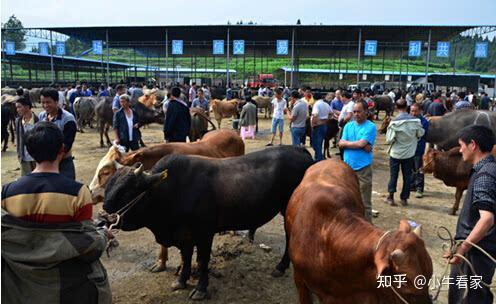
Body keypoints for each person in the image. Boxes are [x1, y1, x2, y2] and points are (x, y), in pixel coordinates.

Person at [1, 122, 112, 304]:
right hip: (66, 286)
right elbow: (85, 244)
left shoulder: (7, 192)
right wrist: (102, 235)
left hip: (20, 286)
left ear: (28, 150)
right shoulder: (78, 192)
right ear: (62, 149)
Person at [446, 125, 495, 304]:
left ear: (473, 145)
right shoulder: (489, 169)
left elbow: (487, 219)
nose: (460, 150)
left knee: (471, 298)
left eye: (462, 145)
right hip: (478, 248)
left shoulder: (485, 175)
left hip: (476, 253)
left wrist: (463, 248)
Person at [339, 101, 377, 222]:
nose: (356, 114)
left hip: (362, 169)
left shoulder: (370, 126)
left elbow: (359, 143)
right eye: (354, 112)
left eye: (359, 111)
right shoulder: (348, 126)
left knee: (364, 201)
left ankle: (368, 227)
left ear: (366, 112)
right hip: (347, 169)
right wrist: (359, 145)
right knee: (347, 199)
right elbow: (340, 143)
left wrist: (349, 144)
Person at [385, 99, 425, 206]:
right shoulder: (415, 121)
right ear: (407, 107)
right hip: (409, 154)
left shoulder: (394, 122)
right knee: (407, 176)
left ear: (396, 108)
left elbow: (389, 140)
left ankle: (391, 197)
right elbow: (421, 133)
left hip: (396, 154)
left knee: (394, 175)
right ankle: (404, 198)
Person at [38, 87, 77, 180]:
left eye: (48, 102)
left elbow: (66, 145)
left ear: (56, 102)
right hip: (45, 161)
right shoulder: (42, 116)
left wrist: (54, 164)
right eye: (43, 102)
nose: (45, 105)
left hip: (63, 161)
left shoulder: (68, 119)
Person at [15, 97, 39, 176]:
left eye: (19, 107)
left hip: (38, 158)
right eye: (17, 107)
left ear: (27, 107)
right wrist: (19, 155)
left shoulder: (38, 121)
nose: (17, 110)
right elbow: (18, 139)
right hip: (24, 157)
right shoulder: (18, 121)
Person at [409, 103, 429, 198]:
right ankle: (412, 185)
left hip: (418, 149)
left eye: (415, 111)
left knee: (419, 168)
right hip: (409, 149)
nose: (413, 113)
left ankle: (419, 188)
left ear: (420, 111)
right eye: (411, 110)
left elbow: (420, 134)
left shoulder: (424, 122)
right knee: (411, 168)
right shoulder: (408, 120)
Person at [311, 93, 331, 161]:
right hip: (324, 125)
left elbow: (315, 115)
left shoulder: (316, 104)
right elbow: (331, 113)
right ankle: (318, 156)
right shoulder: (326, 104)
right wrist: (326, 120)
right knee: (319, 142)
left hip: (318, 126)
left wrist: (314, 123)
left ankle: (319, 159)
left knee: (316, 144)